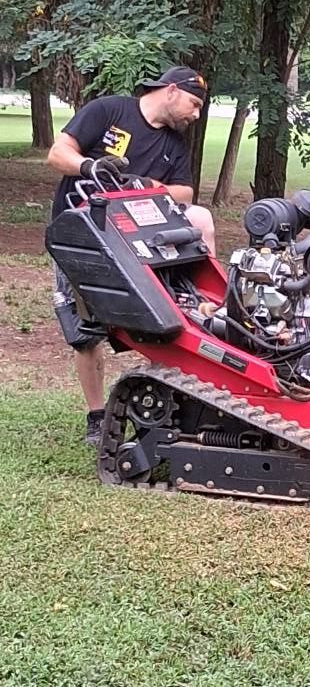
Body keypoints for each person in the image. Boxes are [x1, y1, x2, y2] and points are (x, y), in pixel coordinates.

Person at [47, 65, 216, 445]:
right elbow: (58, 153)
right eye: (193, 103)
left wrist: (152, 187)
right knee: (84, 333)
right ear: (171, 91)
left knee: (166, 320)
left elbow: (186, 194)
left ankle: (170, 397)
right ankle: (96, 416)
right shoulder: (109, 111)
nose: (196, 113)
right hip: (84, 237)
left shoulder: (173, 144)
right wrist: (89, 166)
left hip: (142, 245)